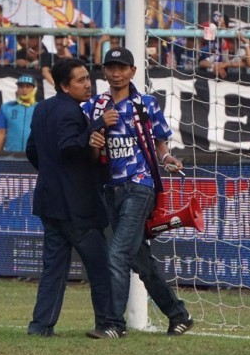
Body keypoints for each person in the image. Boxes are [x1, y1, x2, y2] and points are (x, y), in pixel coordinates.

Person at [82, 48, 194, 338]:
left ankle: (113, 325)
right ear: (104, 71)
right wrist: (96, 135)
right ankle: (178, 314)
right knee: (139, 260)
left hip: (140, 185)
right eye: (111, 67)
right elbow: (92, 156)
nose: (116, 73)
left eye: (122, 68)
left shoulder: (146, 104)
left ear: (133, 71)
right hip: (109, 189)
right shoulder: (94, 106)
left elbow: (159, 144)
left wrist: (168, 160)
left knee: (116, 253)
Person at [25, 57, 121, 337]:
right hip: (74, 206)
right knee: (100, 265)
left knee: (54, 267)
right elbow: (69, 147)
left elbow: (33, 150)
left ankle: (40, 325)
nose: (87, 84)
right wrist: (98, 125)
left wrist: (51, 174)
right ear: (65, 86)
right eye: (80, 80)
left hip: (49, 201)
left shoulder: (42, 108)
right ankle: (106, 323)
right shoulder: (70, 112)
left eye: (87, 78)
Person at [0, 74, 38, 152]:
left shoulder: (40, 108)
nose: (24, 89)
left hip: (35, 156)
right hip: (12, 156)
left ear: (34, 89)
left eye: (28, 86)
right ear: (17, 88)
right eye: (21, 86)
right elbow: (0, 132)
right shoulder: (6, 107)